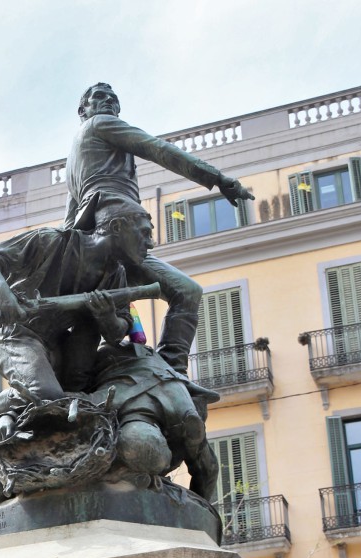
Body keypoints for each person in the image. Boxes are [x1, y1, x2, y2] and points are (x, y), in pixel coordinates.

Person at [65, 82, 254, 375]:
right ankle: (172, 369)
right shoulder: (101, 124)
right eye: (100, 98)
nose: (109, 103)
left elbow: (70, 220)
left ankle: (150, 372)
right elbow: (157, 149)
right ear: (83, 110)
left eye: (114, 100)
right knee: (187, 292)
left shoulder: (75, 157)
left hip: (95, 240)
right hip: (119, 231)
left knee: (116, 318)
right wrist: (216, 178)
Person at [0, 204, 155, 414]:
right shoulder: (52, 240)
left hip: (61, 346)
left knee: (77, 398)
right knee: (48, 397)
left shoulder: (116, 274)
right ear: (117, 226)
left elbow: (116, 333)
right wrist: (1, 292)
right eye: (145, 233)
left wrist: (107, 317)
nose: (151, 243)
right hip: (16, 336)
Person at [91, 339, 219, 502]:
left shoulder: (186, 421)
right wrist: (203, 508)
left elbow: (209, 470)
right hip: (159, 378)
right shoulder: (186, 420)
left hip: (152, 378)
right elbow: (208, 470)